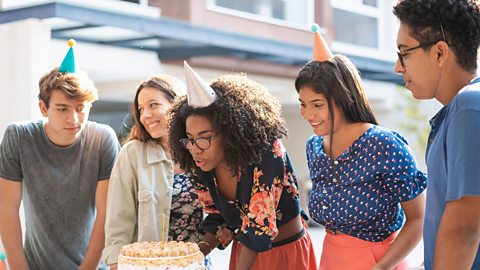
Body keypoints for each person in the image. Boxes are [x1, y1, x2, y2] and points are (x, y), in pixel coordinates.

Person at [294, 25, 427, 270]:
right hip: (331, 259)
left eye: (317, 104)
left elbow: (418, 219)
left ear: (343, 99)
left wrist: (380, 267)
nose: (307, 114)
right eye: (303, 104)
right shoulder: (313, 147)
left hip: (379, 262)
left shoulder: (384, 145)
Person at [167, 62, 317, 270]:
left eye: (204, 138)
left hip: (285, 254)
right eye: (189, 139)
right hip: (245, 253)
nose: (194, 149)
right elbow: (218, 219)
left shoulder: (266, 151)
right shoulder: (200, 164)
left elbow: (259, 227)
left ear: (229, 133)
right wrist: (189, 258)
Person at [0, 39, 120, 269]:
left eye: (80, 109)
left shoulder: (103, 139)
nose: (73, 119)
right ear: (43, 108)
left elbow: (107, 212)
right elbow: (7, 206)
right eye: (62, 109)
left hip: (92, 265)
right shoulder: (19, 136)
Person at [393, 1, 480, 269]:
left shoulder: (469, 107)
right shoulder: (457, 111)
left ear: (440, 53)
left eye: (404, 53)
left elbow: (463, 228)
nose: (398, 66)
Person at [102, 76, 211, 269]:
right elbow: (118, 225)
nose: (146, 115)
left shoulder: (200, 150)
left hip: (196, 264)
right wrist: (116, 265)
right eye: (141, 109)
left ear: (176, 104)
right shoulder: (132, 153)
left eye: (153, 105)